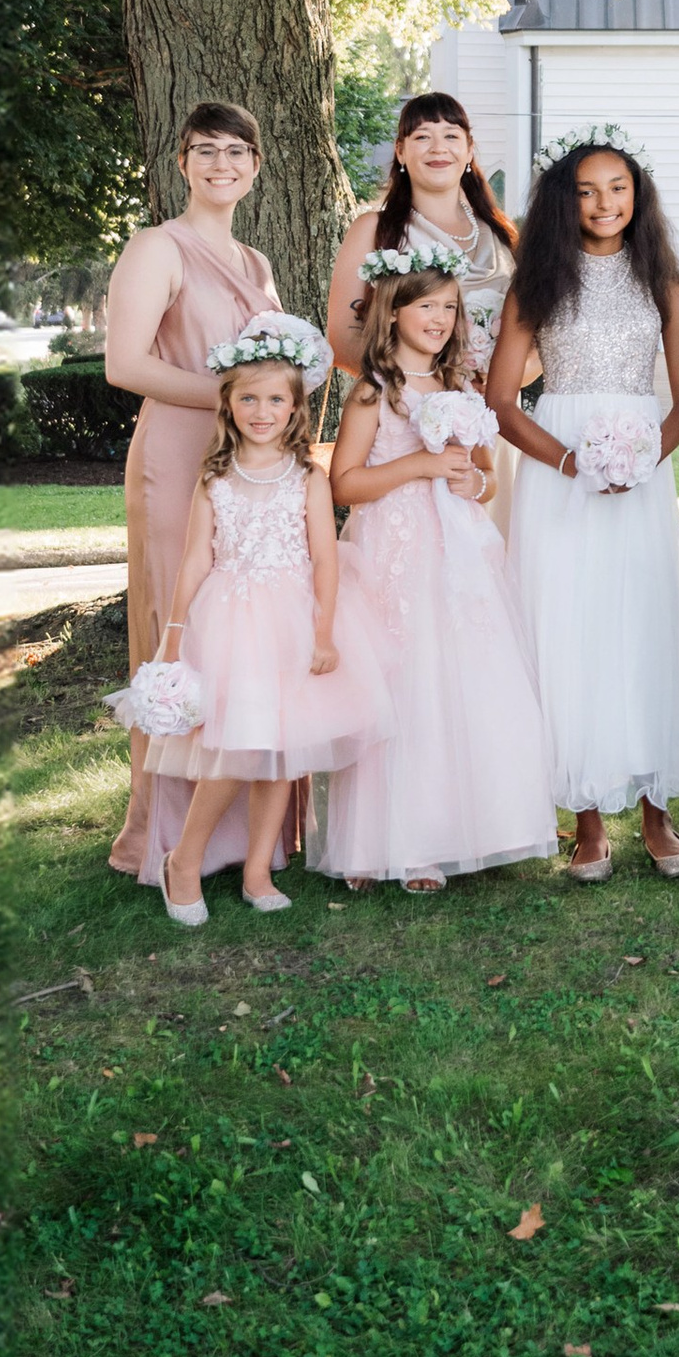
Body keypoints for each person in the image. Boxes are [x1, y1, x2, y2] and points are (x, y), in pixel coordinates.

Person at [489, 129, 679, 885]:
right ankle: (585, 822)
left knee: (641, 625)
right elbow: (501, 401)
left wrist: (646, 457)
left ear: (636, 195)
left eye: (617, 187)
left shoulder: (664, 282)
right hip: (561, 474)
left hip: (640, 476)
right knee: (568, 626)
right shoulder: (538, 282)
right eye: (586, 190)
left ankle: (655, 812)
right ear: (565, 200)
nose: (604, 202)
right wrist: (570, 460)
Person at [127, 315, 389, 925]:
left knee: (283, 748)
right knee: (240, 747)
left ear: (296, 410)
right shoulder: (214, 477)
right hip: (231, 621)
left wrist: (323, 633)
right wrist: (173, 632)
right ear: (230, 405)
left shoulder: (308, 478)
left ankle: (256, 870)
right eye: (248, 398)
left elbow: (325, 560)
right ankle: (183, 862)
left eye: (276, 399)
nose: (262, 410)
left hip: (295, 619)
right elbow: (196, 559)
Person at [314, 256, 556, 891]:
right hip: (395, 550)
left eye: (449, 309)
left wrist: (466, 478)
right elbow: (345, 483)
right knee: (404, 685)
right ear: (394, 311)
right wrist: (420, 466)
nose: (440, 320)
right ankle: (385, 842)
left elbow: (483, 478)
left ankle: (464, 828)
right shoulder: (374, 391)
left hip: (460, 551)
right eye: (427, 307)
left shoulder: (464, 390)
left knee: (465, 679)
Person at [102, 99, 283, 878]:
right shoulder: (156, 248)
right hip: (178, 455)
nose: (221, 165)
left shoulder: (256, 266)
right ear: (181, 164)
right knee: (181, 626)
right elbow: (125, 364)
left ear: (255, 167)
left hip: (247, 467)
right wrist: (226, 398)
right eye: (205, 152)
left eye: (236, 153)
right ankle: (165, 838)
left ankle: (245, 837)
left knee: (242, 629)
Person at [326, 94, 520, 517]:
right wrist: (424, 387)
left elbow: (534, 338)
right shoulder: (375, 231)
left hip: (492, 418)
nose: (438, 148)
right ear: (400, 150)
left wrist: (498, 387)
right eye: (422, 136)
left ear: (469, 150)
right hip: (406, 415)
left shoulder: (502, 236)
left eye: (451, 136)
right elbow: (341, 338)